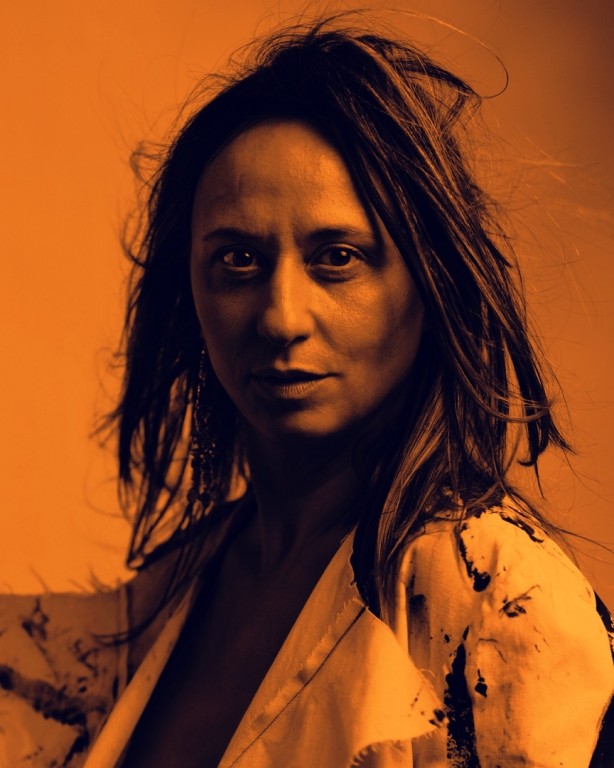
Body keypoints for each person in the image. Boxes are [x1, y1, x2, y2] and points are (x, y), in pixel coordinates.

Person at [0, 13, 612, 768]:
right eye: (238, 260)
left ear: (432, 282)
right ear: (190, 292)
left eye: (338, 257)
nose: (281, 317)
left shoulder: (500, 598)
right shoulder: (175, 591)